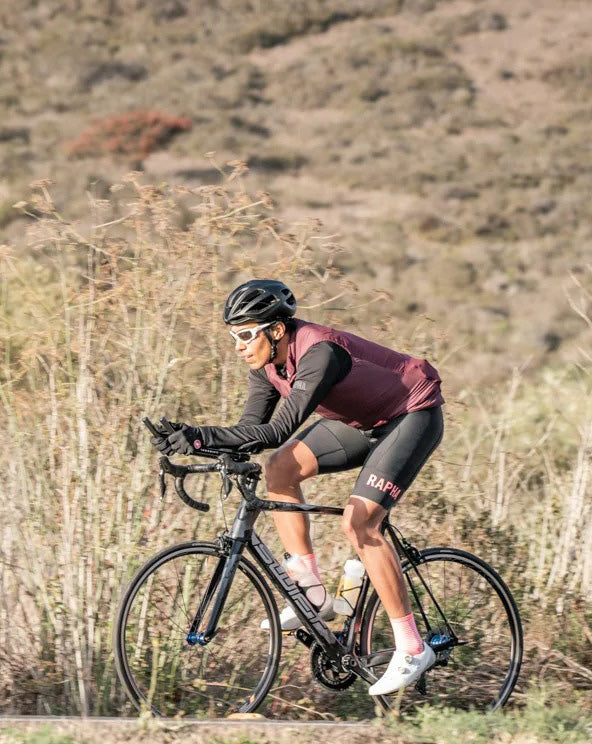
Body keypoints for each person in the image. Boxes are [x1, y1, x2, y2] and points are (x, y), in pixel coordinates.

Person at [154, 279, 445, 696]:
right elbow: (250, 430)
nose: (239, 344)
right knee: (279, 470)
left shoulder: (319, 352)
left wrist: (200, 435)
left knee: (359, 524)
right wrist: (194, 443)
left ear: (276, 330)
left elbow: (278, 429)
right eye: (233, 335)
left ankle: (413, 647)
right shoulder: (267, 366)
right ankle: (310, 587)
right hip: (365, 421)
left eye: (246, 333)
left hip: (412, 415)